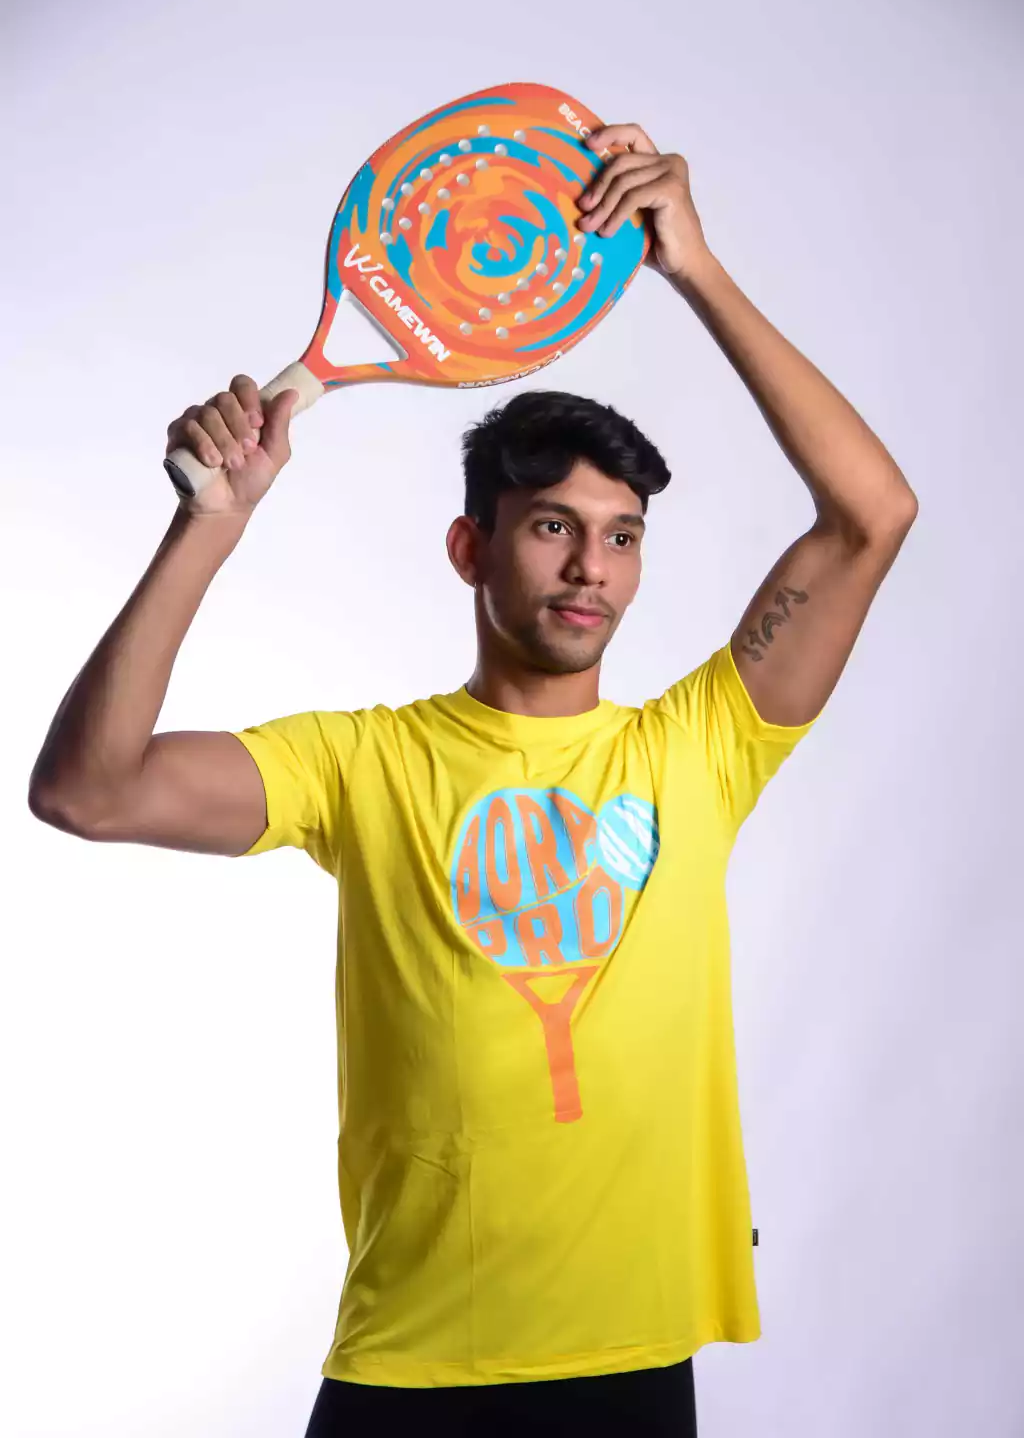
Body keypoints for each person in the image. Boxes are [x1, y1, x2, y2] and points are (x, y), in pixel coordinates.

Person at [28, 122, 918, 1436]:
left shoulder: (699, 747)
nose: (591, 569)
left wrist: (697, 269)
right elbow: (87, 792)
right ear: (470, 547)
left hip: (631, 1372)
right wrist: (208, 523)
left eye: (623, 537)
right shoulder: (364, 763)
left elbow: (872, 516)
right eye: (554, 526)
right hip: (410, 1379)